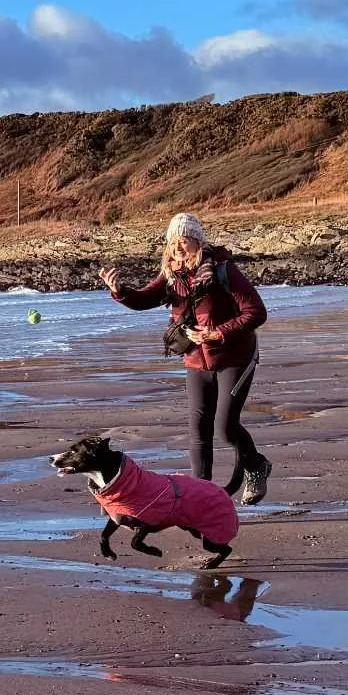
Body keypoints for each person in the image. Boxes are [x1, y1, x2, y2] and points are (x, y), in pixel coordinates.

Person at [98, 212, 271, 504]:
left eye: (185, 240)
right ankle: (200, 498)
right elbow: (144, 299)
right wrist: (120, 292)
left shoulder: (222, 270)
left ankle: (256, 466)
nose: (178, 247)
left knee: (225, 428)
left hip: (235, 356)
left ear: (198, 242)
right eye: (173, 241)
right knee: (199, 431)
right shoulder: (172, 274)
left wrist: (216, 334)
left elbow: (256, 312)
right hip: (195, 360)